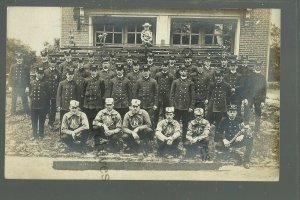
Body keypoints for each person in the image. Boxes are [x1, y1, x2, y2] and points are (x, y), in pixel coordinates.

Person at [217, 105, 253, 169]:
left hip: (237, 140)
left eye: (234, 112)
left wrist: (242, 135)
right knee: (218, 146)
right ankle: (238, 159)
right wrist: (224, 139)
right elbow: (219, 132)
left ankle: (246, 161)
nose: (232, 113)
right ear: (228, 112)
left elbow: (246, 129)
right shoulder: (224, 120)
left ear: (236, 112)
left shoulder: (240, 119)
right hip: (228, 141)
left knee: (249, 140)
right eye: (230, 112)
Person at [170, 64, 195, 141]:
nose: (183, 72)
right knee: (175, 122)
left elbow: (193, 96)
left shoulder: (190, 83)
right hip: (177, 106)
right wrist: (172, 106)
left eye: (185, 71)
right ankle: (175, 137)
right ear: (179, 72)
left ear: (187, 72)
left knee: (185, 123)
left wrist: (191, 106)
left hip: (186, 106)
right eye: (182, 71)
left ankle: (184, 137)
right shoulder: (175, 82)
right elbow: (172, 95)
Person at [207, 70, 231, 142]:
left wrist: (226, 105)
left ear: (222, 77)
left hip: (221, 107)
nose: (218, 78)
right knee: (208, 120)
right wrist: (208, 102)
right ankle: (206, 136)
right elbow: (209, 94)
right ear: (215, 77)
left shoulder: (226, 85)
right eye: (217, 76)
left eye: (220, 76)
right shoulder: (212, 84)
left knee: (218, 122)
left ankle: (216, 137)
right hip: (212, 106)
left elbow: (229, 97)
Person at [244, 61, 267, 132]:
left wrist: (263, 101)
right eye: (256, 65)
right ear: (254, 66)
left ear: (261, 67)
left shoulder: (263, 78)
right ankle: (246, 127)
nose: (258, 67)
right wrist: (245, 98)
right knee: (247, 111)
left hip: (258, 98)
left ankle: (257, 129)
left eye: (259, 65)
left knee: (258, 113)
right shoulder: (250, 76)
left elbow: (264, 90)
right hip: (250, 98)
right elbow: (246, 88)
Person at [29, 67, 50, 140]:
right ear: (36, 73)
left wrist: (47, 107)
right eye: (38, 73)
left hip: (42, 106)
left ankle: (41, 134)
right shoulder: (31, 83)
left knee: (41, 121)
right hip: (34, 105)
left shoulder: (46, 83)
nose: (40, 75)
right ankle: (34, 135)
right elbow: (29, 94)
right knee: (34, 121)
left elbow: (48, 96)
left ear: (43, 75)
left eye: (41, 74)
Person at [82, 64, 105, 131]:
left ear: (97, 71)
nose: (93, 72)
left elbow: (102, 91)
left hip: (97, 102)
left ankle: (97, 132)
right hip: (88, 102)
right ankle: (89, 131)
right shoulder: (86, 80)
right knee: (88, 117)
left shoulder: (101, 80)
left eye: (95, 71)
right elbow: (83, 91)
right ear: (90, 71)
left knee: (97, 117)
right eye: (92, 71)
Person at [154, 60, 174, 127]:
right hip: (159, 96)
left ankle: (166, 126)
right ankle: (155, 127)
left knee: (167, 111)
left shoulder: (170, 76)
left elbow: (172, 86)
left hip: (167, 97)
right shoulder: (158, 75)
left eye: (166, 66)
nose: (164, 67)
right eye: (163, 66)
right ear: (161, 67)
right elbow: (155, 85)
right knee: (156, 112)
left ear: (168, 67)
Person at [44, 57, 61, 129]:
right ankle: (44, 120)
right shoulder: (45, 72)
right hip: (47, 92)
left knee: (53, 108)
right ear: (49, 63)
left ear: (56, 63)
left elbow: (59, 83)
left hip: (54, 93)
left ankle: (51, 122)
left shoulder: (58, 72)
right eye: (51, 62)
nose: (53, 64)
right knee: (46, 106)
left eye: (54, 62)